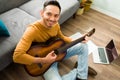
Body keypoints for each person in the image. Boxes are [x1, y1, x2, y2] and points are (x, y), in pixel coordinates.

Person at [13, 0, 96, 80]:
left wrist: (80, 39)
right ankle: (80, 69)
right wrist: (44, 60)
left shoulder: (55, 25)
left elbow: (62, 38)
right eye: (49, 14)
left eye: (56, 15)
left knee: (83, 46)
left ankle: (81, 76)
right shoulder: (32, 30)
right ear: (42, 13)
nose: (52, 19)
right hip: (44, 63)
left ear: (59, 16)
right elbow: (17, 57)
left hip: (58, 53)